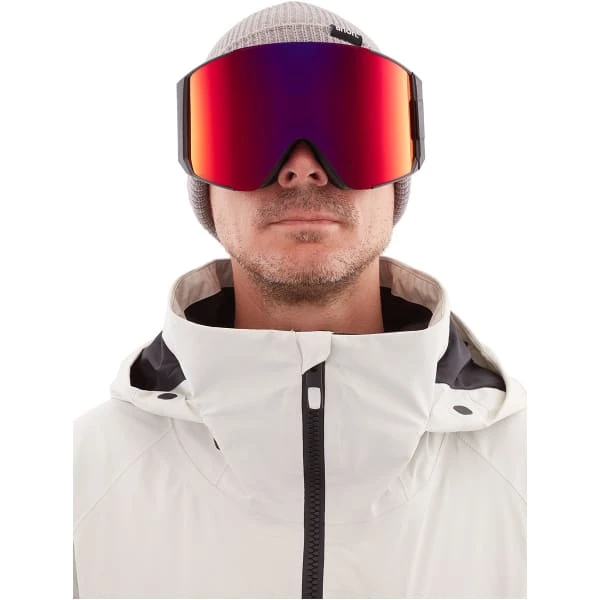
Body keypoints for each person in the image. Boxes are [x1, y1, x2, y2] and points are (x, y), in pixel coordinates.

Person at [73, 2, 527, 598]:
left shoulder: (532, 473)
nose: (304, 168)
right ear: (205, 188)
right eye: (252, 131)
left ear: (398, 181)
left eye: (350, 129)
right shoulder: (83, 478)